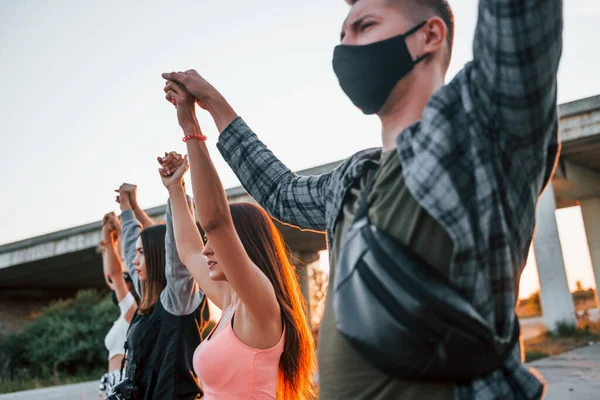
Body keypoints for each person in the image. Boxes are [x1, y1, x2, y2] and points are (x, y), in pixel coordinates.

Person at [162, 0, 563, 398]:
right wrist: (211, 104)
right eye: (342, 34)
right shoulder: (352, 181)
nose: (346, 46)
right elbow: (280, 192)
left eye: (364, 26)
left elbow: (521, 27)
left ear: (430, 35)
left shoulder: (486, 141)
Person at [159, 84, 315, 399]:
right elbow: (188, 252)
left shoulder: (260, 306)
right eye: (209, 241)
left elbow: (216, 223)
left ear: (241, 246)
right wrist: (176, 188)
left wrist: (191, 129)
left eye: (214, 242)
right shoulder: (232, 304)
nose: (206, 249)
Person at [115, 182, 209, 399]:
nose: (134, 261)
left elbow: (177, 248)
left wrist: (175, 189)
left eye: (142, 253)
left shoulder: (178, 300)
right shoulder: (149, 299)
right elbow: (131, 246)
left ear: (159, 256)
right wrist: (128, 210)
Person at [98, 212, 138, 398]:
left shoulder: (134, 311)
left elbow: (115, 274)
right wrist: (108, 240)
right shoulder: (126, 314)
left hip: (123, 381)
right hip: (113, 382)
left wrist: (117, 233)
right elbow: (111, 276)